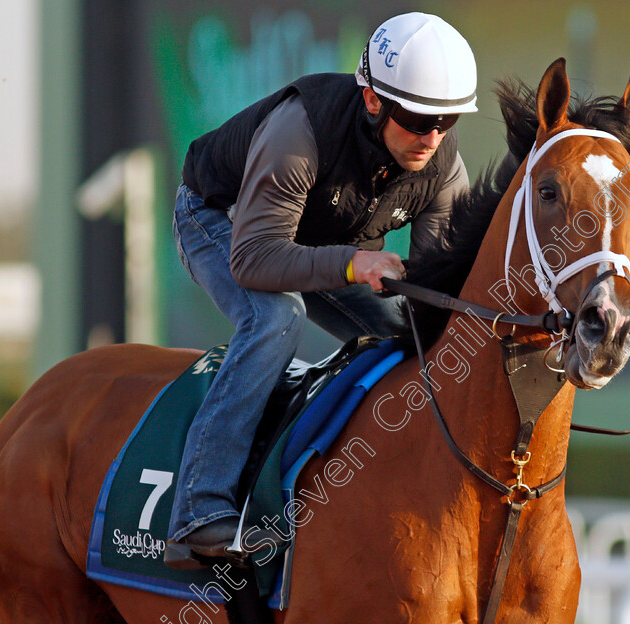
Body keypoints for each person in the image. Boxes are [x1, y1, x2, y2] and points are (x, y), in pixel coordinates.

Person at [167, 11, 478, 562]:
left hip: (317, 242)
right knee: (275, 317)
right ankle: (199, 509)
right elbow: (255, 259)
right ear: (373, 100)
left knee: (402, 335)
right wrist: (356, 264)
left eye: (446, 121)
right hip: (223, 220)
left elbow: (434, 306)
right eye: (416, 118)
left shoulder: (443, 168)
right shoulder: (298, 130)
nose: (431, 138)